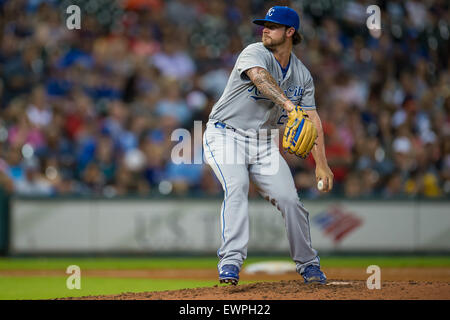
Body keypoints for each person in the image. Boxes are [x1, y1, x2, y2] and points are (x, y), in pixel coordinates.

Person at [203, 6, 334, 285]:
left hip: (263, 143)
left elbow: (312, 119)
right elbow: (260, 78)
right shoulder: (254, 52)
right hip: (225, 134)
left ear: (290, 32)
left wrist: (322, 165)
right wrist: (288, 104)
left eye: (273, 26)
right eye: (265, 24)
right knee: (236, 186)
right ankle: (230, 262)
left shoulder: (302, 75)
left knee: (290, 200)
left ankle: (309, 264)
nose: (265, 29)